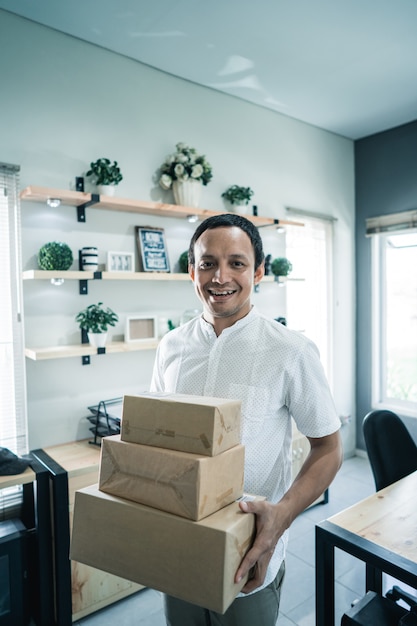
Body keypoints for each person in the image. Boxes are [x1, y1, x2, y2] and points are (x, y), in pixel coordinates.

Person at [150, 213, 343, 626]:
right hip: (178, 546)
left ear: (258, 271)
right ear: (191, 271)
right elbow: (158, 436)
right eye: (207, 263)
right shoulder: (170, 347)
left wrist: (282, 515)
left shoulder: (291, 351)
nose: (220, 277)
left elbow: (329, 448)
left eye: (236, 263)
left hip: (251, 551)